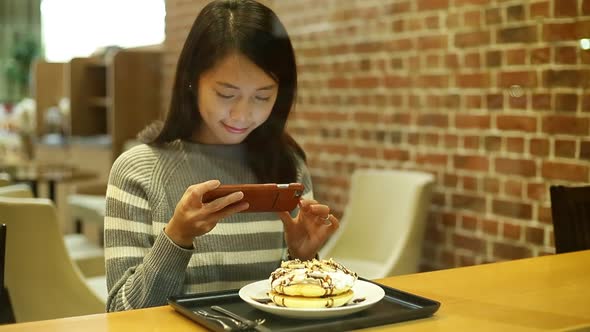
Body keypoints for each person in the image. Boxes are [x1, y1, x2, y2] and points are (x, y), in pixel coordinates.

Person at [104, 0, 340, 312]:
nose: (243, 114)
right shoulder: (138, 170)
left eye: (262, 96)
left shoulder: (288, 165)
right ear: (191, 81)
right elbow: (122, 314)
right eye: (226, 94)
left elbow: (292, 307)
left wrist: (301, 258)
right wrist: (176, 238)